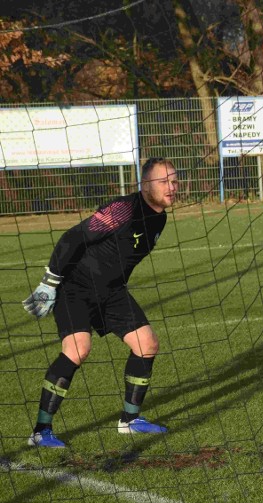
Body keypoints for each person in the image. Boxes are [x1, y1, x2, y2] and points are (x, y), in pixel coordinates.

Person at [22, 157, 178, 447]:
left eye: (174, 180)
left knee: (147, 344)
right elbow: (73, 237)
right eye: (163, 181)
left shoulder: (161, 217)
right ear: (145, 185)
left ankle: (130, 420)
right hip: (76, 287)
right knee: (78, 349)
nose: (172, 187)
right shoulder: (123, 209)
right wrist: (50, 282)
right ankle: (41, 431)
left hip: (112, 291)